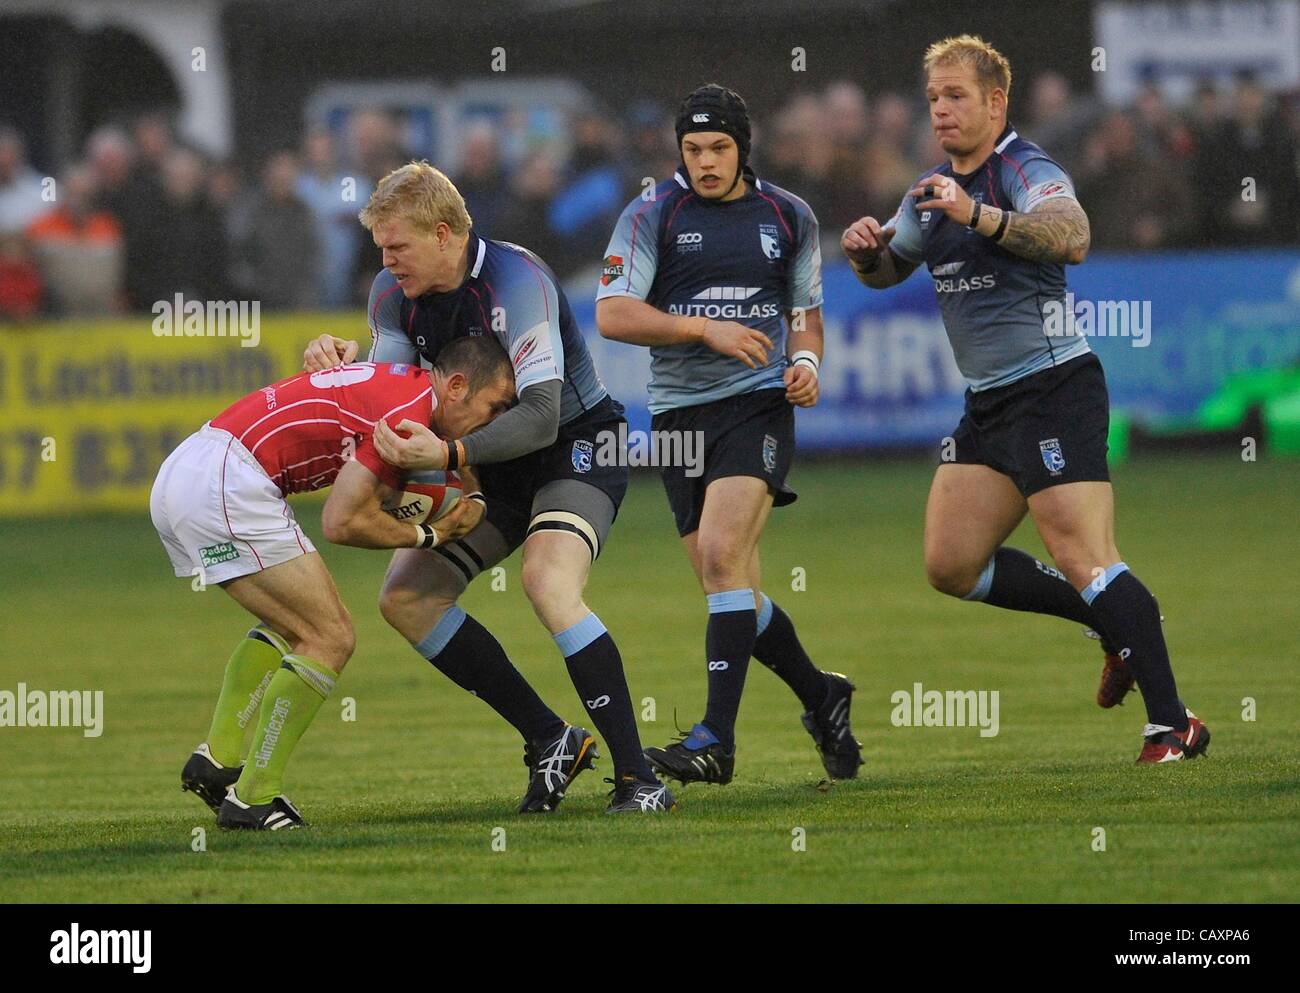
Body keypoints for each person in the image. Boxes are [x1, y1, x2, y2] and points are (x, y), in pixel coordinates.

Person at [841, 35, 1209, 763]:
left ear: (995, 101)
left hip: (1053, 389)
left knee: (1084, 553)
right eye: (934, 99)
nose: (941, 111)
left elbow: (1073, 237)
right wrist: (865, 256)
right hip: (988, 404)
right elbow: (890, 268)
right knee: (950, 563)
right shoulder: (930, 189)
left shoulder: (1023, 167)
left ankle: (1175, 726)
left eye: (956, 97)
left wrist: (977, 214)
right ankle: (1114, 622)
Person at [302, 162, 674, 813]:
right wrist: (344, 370)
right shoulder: (392, 296)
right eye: (380, 248)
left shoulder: (517, 280)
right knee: (406, 598)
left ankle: (640, 778)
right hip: (486, 468)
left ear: (443, 233)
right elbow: (391, 398)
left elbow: (541, 415)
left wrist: (447, 451)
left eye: (397, 246)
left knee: (547, 581)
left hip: (575, 448)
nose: (385, 261)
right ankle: (550, 737)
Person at [595, 83, 863, 788]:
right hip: (679, 418)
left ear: (745, 147)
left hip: (757, 404)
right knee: (731, 585)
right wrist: (701, 327)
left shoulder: (789, 215)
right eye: (692, 149)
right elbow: (614, 314)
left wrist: (805, 361)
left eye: (718, 148)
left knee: (721, 557)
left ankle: (716, 740)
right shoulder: (652, 212)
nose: (706, 161)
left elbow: (806, 314)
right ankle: (821, 694)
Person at [152, 338, 515, 829]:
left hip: (188, 471)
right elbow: (341, 523)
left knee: (290, 624)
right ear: (455, 386)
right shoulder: (408, 418)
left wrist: (469, 493)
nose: (496, 422)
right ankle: (254, 799)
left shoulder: (401, 389)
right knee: (330, 636)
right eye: (494, 407)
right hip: (227, 482)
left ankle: (216, 760)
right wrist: (429, 534)